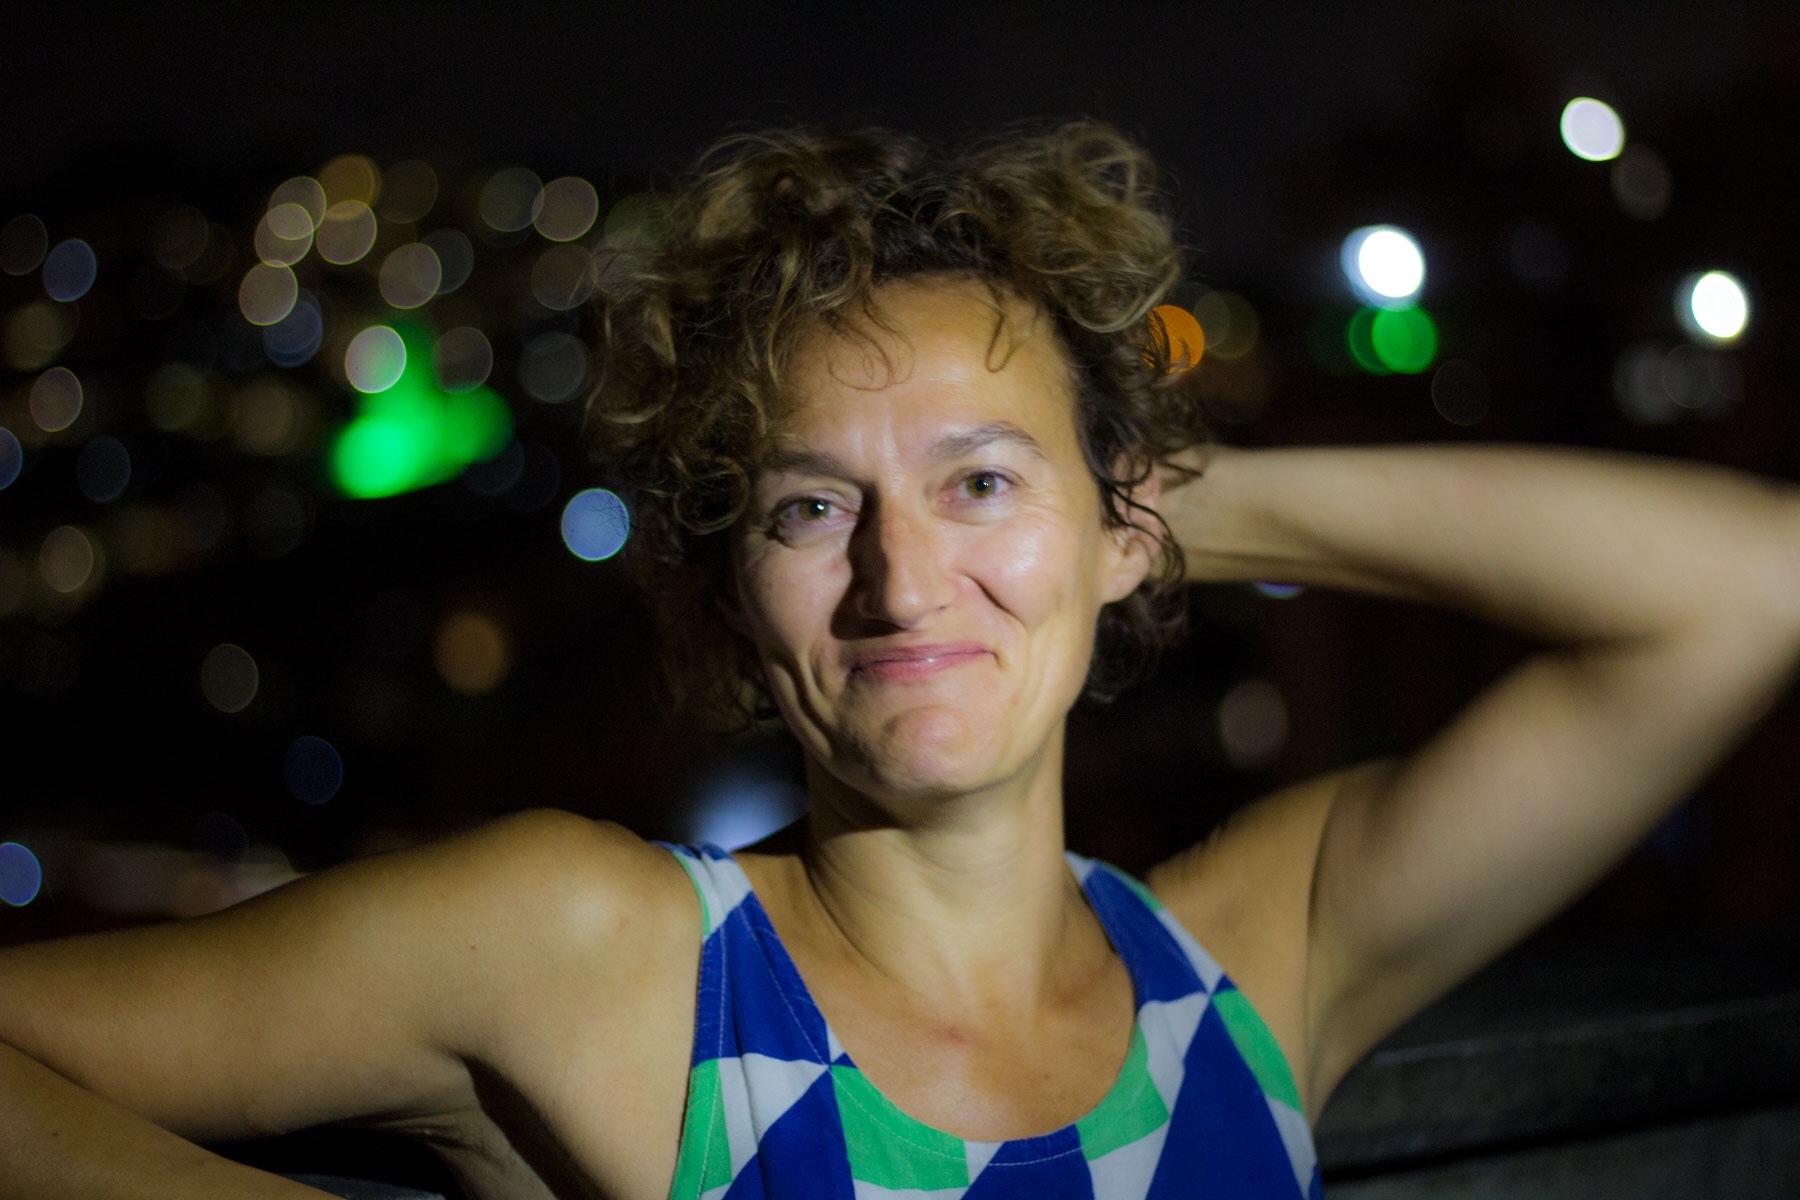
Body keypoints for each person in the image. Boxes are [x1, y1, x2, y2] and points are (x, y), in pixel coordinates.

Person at [2, 122, 1798, 1200]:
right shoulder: (600, 957)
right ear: (729, 593)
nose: (900, 579)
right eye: (810, 508)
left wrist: (1160, 501)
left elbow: (1751, 589)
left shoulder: (1254, 962)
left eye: (979, 484)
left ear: (1123, 527)